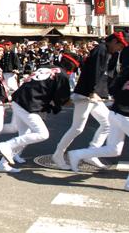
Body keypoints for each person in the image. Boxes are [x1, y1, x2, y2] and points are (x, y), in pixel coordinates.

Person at [52, 32, 128, 170]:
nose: (119, 49)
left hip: (92, 95)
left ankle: (91, 153)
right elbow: (94, 72)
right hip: (86, 95)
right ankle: (58, 154)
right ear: (114, 41)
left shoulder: (105, 51)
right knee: (77, 128)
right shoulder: (101, 50)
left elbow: (102, 74)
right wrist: (93, 92)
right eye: (120, 46)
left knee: (107, 123)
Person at [0, 58, 74, 173]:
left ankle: (3, 164)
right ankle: (7, 145)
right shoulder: (62, 75)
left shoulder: (46, 66)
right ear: (72, 67)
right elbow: (62, 99)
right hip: (28, 103)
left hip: (19, 98)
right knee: (43, 134)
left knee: (24, 136)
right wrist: (79, 99)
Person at [68, 64, 129, 191]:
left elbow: (113, 88)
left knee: (114, 149)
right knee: (114, 148)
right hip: (124, 115)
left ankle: (77, 154)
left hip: (115, 113)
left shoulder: (126, 71)